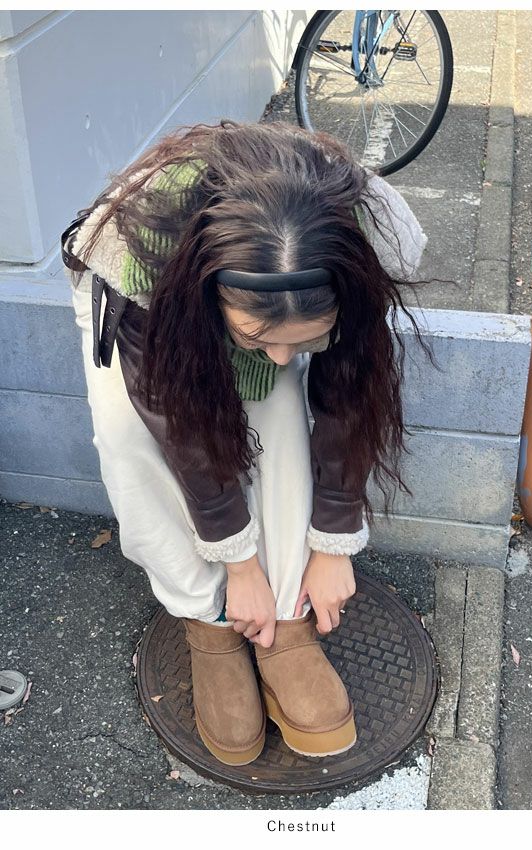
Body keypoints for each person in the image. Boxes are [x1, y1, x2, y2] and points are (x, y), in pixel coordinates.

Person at [61, 119, 427, 767]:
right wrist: (238, 566)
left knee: (276, 408)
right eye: (262, 339)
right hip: (146, 304)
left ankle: (283, 618)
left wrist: (333, 545)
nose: (285, 357)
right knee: (128, 441)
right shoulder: (142, 254)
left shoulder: (371, 241)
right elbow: (184, 432)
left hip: (249, 300)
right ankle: (206, 619)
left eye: (305, 340)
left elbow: (349, 395)